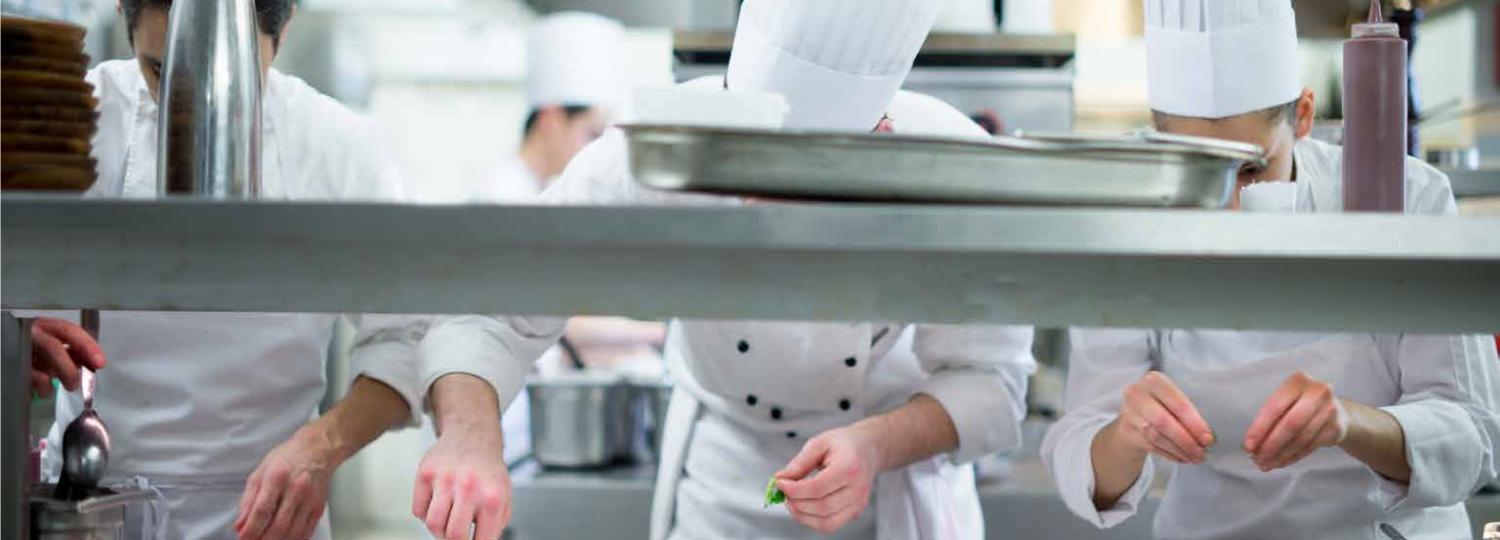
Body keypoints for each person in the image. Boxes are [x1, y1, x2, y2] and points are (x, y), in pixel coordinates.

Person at [407, 2, 1036, 539]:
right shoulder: (654, 155)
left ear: (880, 133)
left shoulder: (951, 169)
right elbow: (491, 300)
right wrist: (469, 435)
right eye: (754, 166)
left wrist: (876, 444)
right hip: (724, 486)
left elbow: (992, 385)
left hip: (894, 491)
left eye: (807, 181)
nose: (771, 205)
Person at [1040, 1, 1500, 538]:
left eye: (1252, 169)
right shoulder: (1131, 223)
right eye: (1199, 168)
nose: (1230, 202)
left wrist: (1348, 424)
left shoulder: (1406, 197)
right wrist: (1128, 434)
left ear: (1303, 117)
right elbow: (1083, 455)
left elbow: (1473, 438)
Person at [39, 1, 430, 538]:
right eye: (160, 71)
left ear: (283, 32)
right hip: (92, 508)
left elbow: (409, 337)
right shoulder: (68, 126)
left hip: (270, 514)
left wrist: (323, 445)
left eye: (229, 77)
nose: (191, 107)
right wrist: (20, 335)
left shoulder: (339, 147)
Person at [472, 11, 623, 203]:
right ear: (551, 120)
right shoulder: (500, 194)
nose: (596, 150)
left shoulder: (542, 189)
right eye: (591, 134)